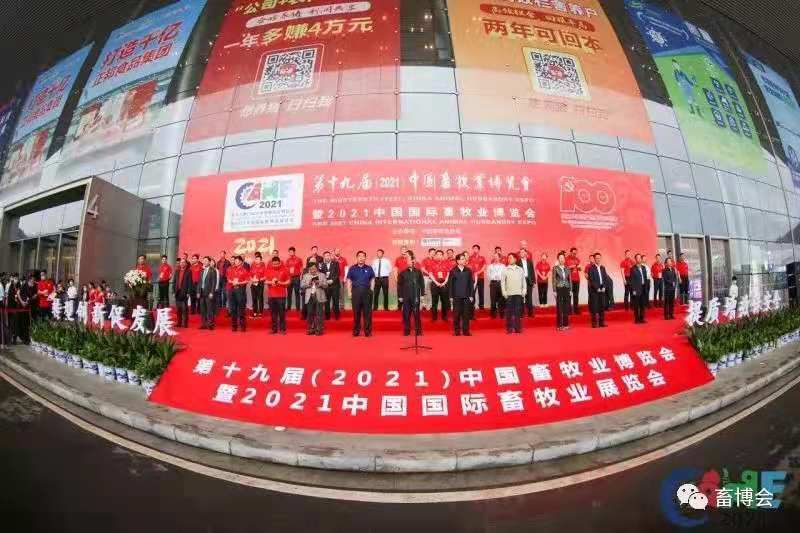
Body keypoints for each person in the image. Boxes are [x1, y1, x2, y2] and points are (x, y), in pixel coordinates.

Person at [347, 251, 375, 337]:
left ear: (365, 258)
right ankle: (356, 331)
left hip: (367, 292)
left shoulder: (369, 268)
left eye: (363, 256)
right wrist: (349, 292)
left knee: (367, 313)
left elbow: (372, 279)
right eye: (359, 256)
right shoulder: (352, 268)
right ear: (357, 257)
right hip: (356, 292)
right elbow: (349, 280)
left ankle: (368, 331)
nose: (361, 258)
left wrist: (371, 290)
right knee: (356, 313)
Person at [397, 250, 425, 336]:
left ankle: (418, 331)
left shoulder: (418, 272)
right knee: (406, 315)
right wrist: (400, 296)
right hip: (406, 297)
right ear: (407, 262)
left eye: (412, 260)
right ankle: (407, 331)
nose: (410, 262)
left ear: (414, 261)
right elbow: (399, 285)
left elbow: (422, 283)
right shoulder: (402, 272)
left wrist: (422, 294)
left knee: (417, 314)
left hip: (415, 296)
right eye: (409, 260)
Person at [301, 261, 329, 335]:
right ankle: (310, 329)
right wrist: (309, 284)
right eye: (311, 269)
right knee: (310, 313)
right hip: (309, 296)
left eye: (314, 269)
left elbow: (326, 285)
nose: (313, 270)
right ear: (309, 269)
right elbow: (302, 285)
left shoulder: (322, 275)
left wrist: (319, 283)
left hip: (319, 296)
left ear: (317, 268)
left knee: (319, 313)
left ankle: (319, 330)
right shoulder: (306, 275)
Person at [449, 254, 474, 336]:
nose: (464, 260)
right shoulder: (453, 271)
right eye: (462, 259)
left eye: (464, 259)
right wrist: (451, 296)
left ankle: (466, 331)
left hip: (466, 296)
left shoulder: (468, 270)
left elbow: (471, 284)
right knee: (456, 315)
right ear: (458, 261)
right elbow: (450, 285)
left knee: (466, 315)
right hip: (456, 296)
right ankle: (457, 331)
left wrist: (471, 295)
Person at [501, 253, 526, 334]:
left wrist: (524, 290)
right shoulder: (505, 269)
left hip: (518, 294)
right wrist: (504, 292)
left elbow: (523, 281)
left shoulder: (520, 269)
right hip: (509, 294)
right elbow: (502, 282)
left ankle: (517, 328)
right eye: (508, 258)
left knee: (518, 312)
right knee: (509, 312)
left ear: (515, 259)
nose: (509, 259)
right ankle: (509, 329)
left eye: (511, 258)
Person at [265, 256, 290, 334]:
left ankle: (282, 329)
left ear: (280, 263)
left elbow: (288, 281)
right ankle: (274, 329)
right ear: (272, 263)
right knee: (273, 314)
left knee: (282, 313)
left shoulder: (285, 270)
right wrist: (271, 282)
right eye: (274, 264)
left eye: (277, 264)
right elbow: (265, 281)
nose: (275, 265)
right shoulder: (268, 270)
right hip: (271, 296)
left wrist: (280, 282)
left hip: (281, 295)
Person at [227, 255, 248, 332]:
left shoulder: (244, 270)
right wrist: (232, 282)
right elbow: (228, 279)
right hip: (232, 290)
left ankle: (242, 326)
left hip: (240, 291)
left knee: (241, 309)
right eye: (234, 261)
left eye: (236, 261)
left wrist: (239, 283)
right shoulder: (231, 269)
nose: (235, 262)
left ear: (241, 262)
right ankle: (234, 326)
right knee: (233, 309)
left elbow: (247, 281)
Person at [587, 253, 609, 328]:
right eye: (596, 258)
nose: (598, 259)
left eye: (599, 258)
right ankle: (594, 323)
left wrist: (604, 287)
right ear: (594, 259)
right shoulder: (591, 268)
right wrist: (597, 288)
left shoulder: (603, 268)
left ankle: (601, 322)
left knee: (602, 306)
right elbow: (591, 279)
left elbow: (605, 278)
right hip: (594, 290)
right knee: (594, 307)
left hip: (602, 289)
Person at [197, 256, 218, 330]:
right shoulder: (202, 270)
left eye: (206, 261)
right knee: (203, 309)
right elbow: (199, 282)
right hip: (201, 292)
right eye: (204, 261)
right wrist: (198, 291)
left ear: (209, 262)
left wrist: (212, 292)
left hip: (209, 292)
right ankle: (204, 324)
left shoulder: (213, 270)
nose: (204, 262)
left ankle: (210, 324)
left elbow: (214, 282)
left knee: (209, 309)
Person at [319, 251, 341, 320]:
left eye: (328, 255)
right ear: (324, 257)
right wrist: (325, 281)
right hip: (326, 286)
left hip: (335, 285)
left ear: (330, 256)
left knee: (336, 301)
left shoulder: (335, 263)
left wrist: (332, 280)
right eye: (326, 256)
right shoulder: (322, 265)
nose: (327, 257)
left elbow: (338, 273)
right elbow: (320, 275)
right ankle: (327, 316)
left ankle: (337, 316)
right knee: (326, 302)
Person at [429, 249, 450, 321]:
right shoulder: (432, 263)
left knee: (444, 301)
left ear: (443, 256)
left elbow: (448, 274)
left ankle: (444, 317)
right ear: (435, 256)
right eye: (437, 254)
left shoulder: (446, 263)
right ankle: (434, 317)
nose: (439, 256)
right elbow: (430, 274)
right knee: (434, 301)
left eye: (440, 255)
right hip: (435, 283)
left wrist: (444, 282)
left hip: (444, 283)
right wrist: (436, 283)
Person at [553, 252, 571, 331]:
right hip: (559, 288)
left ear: (564, 259)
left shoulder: (567, 268)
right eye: (560, 258)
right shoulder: (555, 268)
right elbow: (554, 280)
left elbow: (570, 280)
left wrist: (570, 290)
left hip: (566, 288)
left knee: (566, 307)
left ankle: (566, 324)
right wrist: (554, 290)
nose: (562, 259)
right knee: (559, 307)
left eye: (563, 258)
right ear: (558, 259)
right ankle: (559, 325)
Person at [173, 258, 193, 328]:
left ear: (186, 264)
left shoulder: (188, 271)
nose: (182, 264)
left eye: (183, 262)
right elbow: (174, 282)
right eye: (181, 262)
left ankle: (185, 323)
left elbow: (190, 282)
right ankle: (179, 322)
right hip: (177, 292)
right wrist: (173, 291)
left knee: (184, 309)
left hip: (184, 292)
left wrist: (188, 292)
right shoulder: (177, 271)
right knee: (178, 309)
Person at [487, 251, 506, 319]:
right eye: (494, 256)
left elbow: (505, 275)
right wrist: (494, 277)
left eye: (496, 256)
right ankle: (493, 315)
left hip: (501, 283)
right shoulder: (490, 266)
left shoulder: (503, 266)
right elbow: (488, 275)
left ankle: (502, 314)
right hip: (493, 283)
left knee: (502, 300)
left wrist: (500, 277)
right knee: (493, 300)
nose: (495, 258)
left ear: (500, 258)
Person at [468, 245, 487, 310]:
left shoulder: (482, 257)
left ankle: (481, 305)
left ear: (479, 250)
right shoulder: (470, 257)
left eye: (476, 248)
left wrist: (478, 272)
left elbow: (484, 266)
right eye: (473, 248)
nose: (475, 250)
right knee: (472, 291)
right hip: (473, 278)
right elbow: (468, 267)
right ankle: (472, 305)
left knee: (481, 292)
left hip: (481, 277)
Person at [285, 247, 304, 312]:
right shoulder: (287, 260)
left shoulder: (299, 259)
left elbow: (301, 268)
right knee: (289, 294)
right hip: (289, 278)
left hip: (296, 278)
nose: (291, 253)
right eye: (289, 252)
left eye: (292, 252)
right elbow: (286, 269)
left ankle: (298, 308)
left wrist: (300, 276)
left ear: (294, 252)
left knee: (297, 293)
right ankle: (288, 307)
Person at [630, 254, 648, 324]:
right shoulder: (633, 268)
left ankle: (642, 318)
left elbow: (645, 278)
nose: (639, 259)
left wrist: (646, 287)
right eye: (637, 258)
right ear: (635, 259)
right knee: (636, 305)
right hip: (636, 289)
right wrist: (633, 290)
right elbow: (632, 281)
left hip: (643, 288)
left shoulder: (644, 267)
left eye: (640, 258)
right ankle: (637, 319)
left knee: (642, 305)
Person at [519, 248, 535, 317]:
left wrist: (533, 282)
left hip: (529, 281)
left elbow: (532, 271)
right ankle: (521, 313)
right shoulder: (518, 262)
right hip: (521, 281)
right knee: (521, 298)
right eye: (520, 252)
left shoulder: (529, 261)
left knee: (529, 298)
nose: (521, 253)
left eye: (523, 252)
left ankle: (530, 313)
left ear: (525, 253)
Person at [392, 246, 410, 311]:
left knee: (408, 292)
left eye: (405, 249)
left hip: (409, 277)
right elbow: (395, 269)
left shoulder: (410, 258)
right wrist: (396, 278)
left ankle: (408, 307)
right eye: (402, 249)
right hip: (400, 277)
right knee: (400, 292)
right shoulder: (398, 259)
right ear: (401, 251)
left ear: (407, 250)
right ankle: (399, 307)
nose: (404, 250)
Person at [250, 252, 266, 317]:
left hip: (260, 284)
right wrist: (252, 279)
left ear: (261, 260)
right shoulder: (252, 266)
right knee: (254, 298)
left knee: (260, 298)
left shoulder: (263, 266)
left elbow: (265, 276)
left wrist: (259, 280)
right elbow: (250, 275)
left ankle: (260, 312)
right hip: (253, 284)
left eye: (258, 259)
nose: (257, 260)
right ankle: (255, 312)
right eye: (256, 259)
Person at [565, 247, 581, 314]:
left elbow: (580, 269)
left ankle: (576, 310)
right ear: (570, 252)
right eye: (573, 253)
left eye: (575, 253)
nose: (574, 254)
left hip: (577, 279)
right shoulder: (566, 259)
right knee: (569, 295)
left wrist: (579, 268)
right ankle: (569, 310)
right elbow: (565, 268)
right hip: (569, 279)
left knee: (576, 295)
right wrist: (571, 267)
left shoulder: (577, 259)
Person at [333, 248, 348, 312]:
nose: (337, 252)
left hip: (341, 278)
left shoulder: (343, 259)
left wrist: (345, 278)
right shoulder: (332, 259)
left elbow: (346, 268)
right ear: (334, 252)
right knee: (334, 293)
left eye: (338, 251)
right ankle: (334, 307)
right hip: (333, 279)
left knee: (341, 293)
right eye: (336, 251)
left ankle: (342, 306)